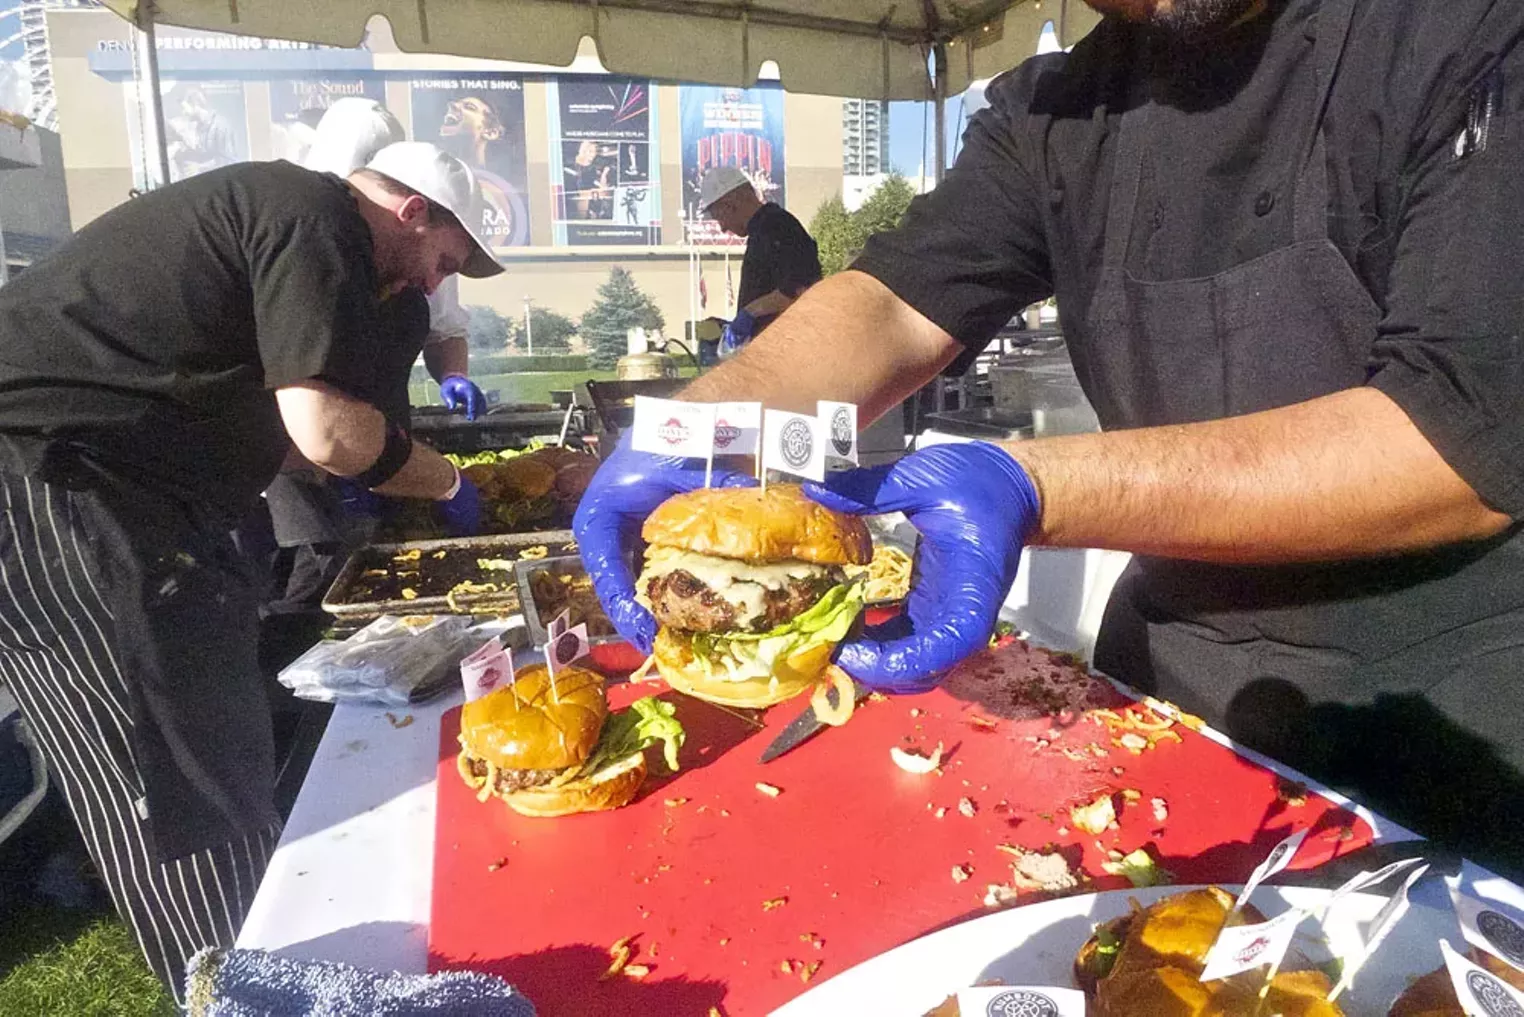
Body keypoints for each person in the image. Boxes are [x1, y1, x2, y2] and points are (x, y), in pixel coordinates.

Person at [576, 0, 1524, 877]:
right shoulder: (1056, 110)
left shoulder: (1470, 30)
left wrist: (1031, 486)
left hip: (1449, 727)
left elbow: (1459, 431)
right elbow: (893, 308)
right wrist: (701, 427)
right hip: (1169, 696)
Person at [0, 141, 499, 1002]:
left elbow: (313, 444)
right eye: (444, 261)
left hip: (155, 498)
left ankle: (273, 964)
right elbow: (331, 437)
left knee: (219, 734)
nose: (433, 283)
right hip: (59, 480)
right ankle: (249, 991)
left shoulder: (332, 249)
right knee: (169, 762)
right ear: (414, 209)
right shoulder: (308, 217)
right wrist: (450, 482)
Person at [265, 99, 488, 626]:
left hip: (355, 448)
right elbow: (314, 423)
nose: (434, 282)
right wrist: (439, 479)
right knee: (307, 580)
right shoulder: (312, 236)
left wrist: (452, 375)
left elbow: (443, 322)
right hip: (287, 463)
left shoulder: (408, 253)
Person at [697, 166, 821, 354]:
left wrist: (749, 313)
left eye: (719, 217)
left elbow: (799, 289)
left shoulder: (777, 226)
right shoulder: (764, 230)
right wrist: (731, 325)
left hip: (787, 355)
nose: (722, 228)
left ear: (730, 204)